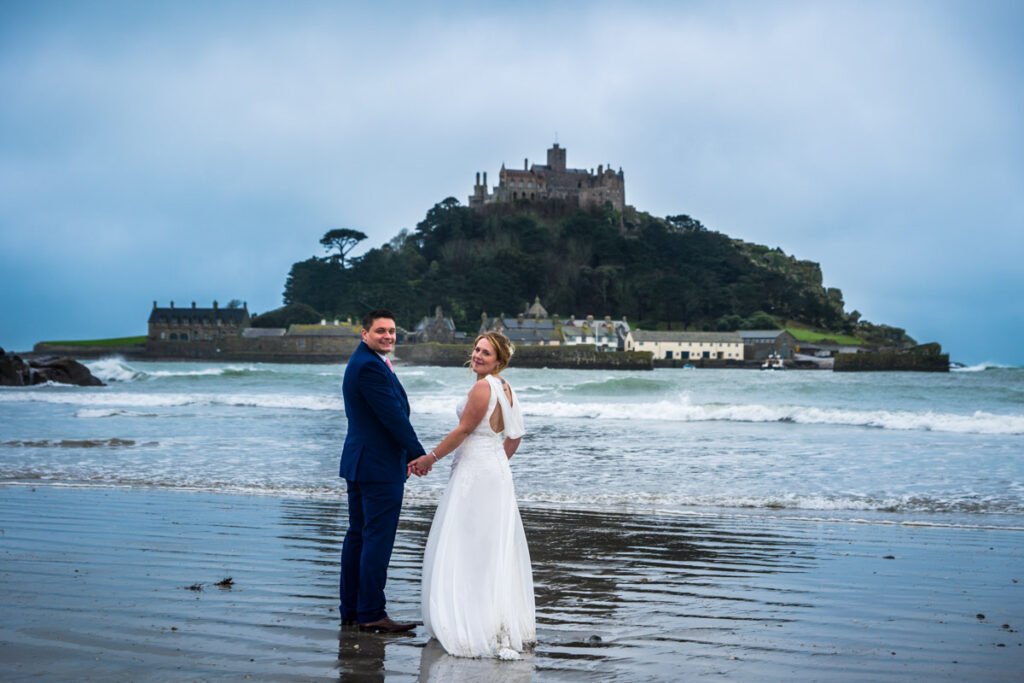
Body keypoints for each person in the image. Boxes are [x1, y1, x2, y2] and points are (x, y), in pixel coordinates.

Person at [407, 332, 536, 659]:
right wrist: (495, 462)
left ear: (499, 360)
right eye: (477, 349)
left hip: (474, 474)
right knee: (489, 548)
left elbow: (463, 430)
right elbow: (514, 437)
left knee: (467, 545)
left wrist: (430, 458)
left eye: (486, 353)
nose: (477, 355)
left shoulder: (483, 387)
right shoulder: (506, 389)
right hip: (495, 473)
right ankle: (494, 620)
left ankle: (469, 623)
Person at [339, 309, 427, 633]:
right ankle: (371, 613)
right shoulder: (369, 368)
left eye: (392, 331)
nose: (388, 336)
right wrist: (419, 454)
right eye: (380, 331)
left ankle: (352, 610)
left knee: (359, 538)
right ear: (365, 333)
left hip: (362, 462)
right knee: (376, 540)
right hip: (377, 467)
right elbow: (393, 417)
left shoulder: (365, 362)